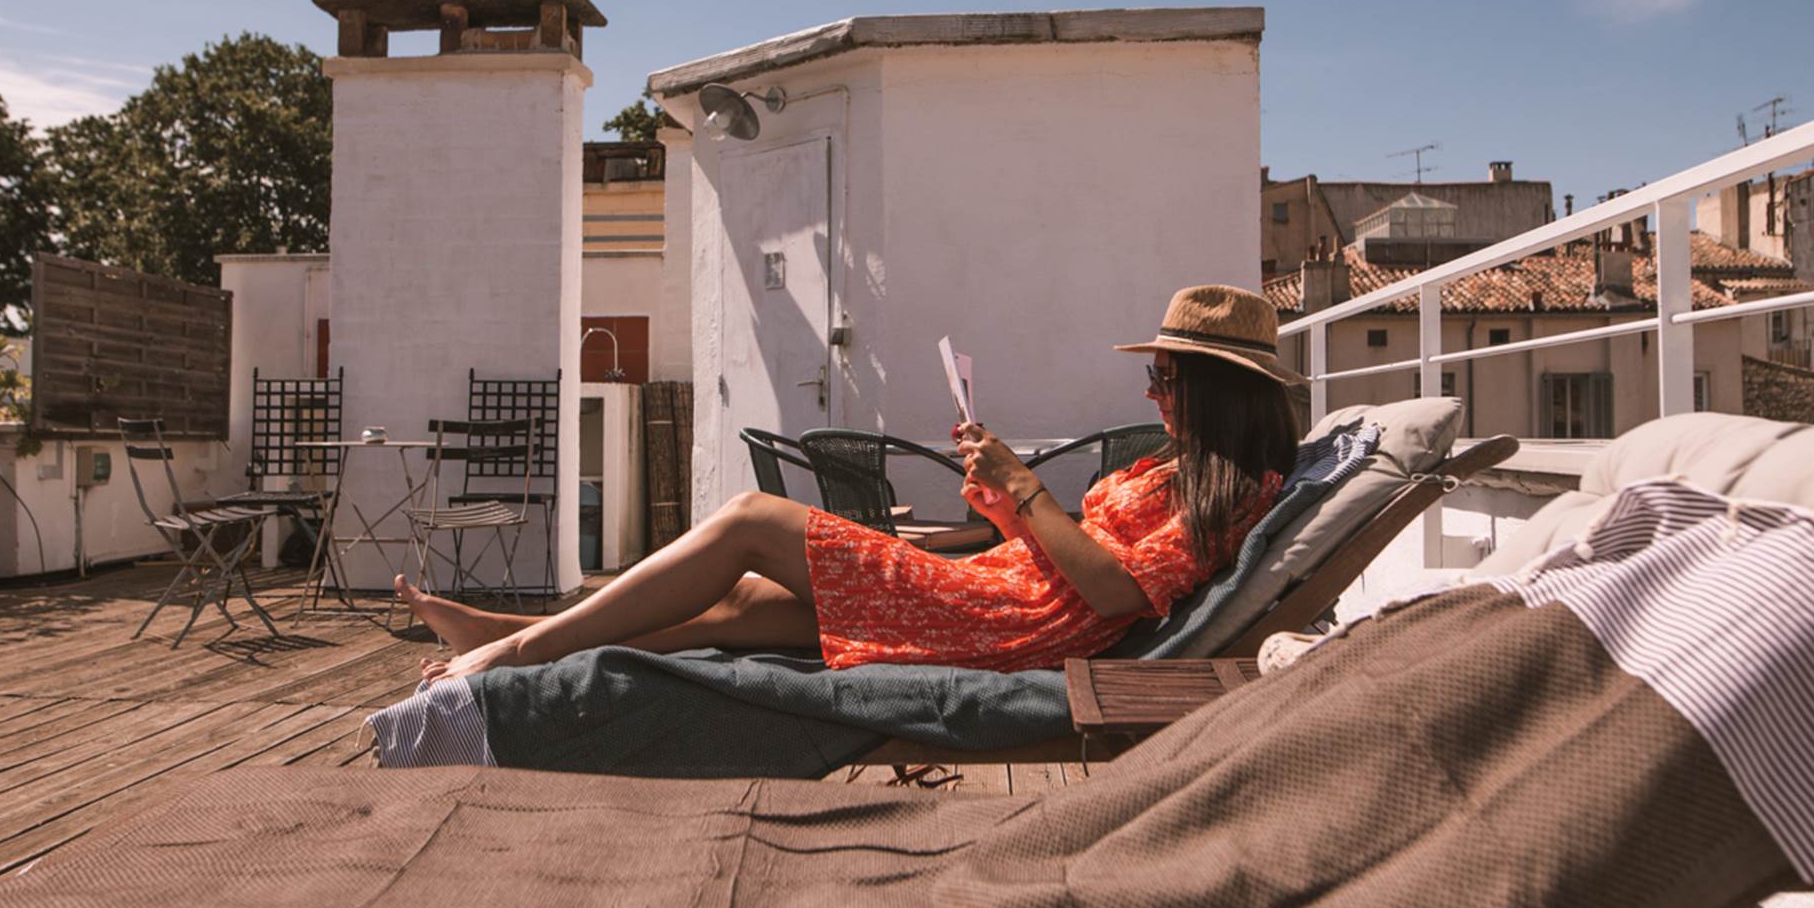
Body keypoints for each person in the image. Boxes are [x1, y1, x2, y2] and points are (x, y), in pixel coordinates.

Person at [396, 284, 1301, 682]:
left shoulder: (1232, 495)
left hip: (1010, 625)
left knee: (753, 519)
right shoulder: (1173, 469)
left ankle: (516, 653)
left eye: (1167, 381)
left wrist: (1026, 491)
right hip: (1006, 590)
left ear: (1214, 388)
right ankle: (526, 630)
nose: (1152, 392)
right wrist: (1005, 516)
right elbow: (1086, 562)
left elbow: (1114, 591)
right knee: (750, 605)